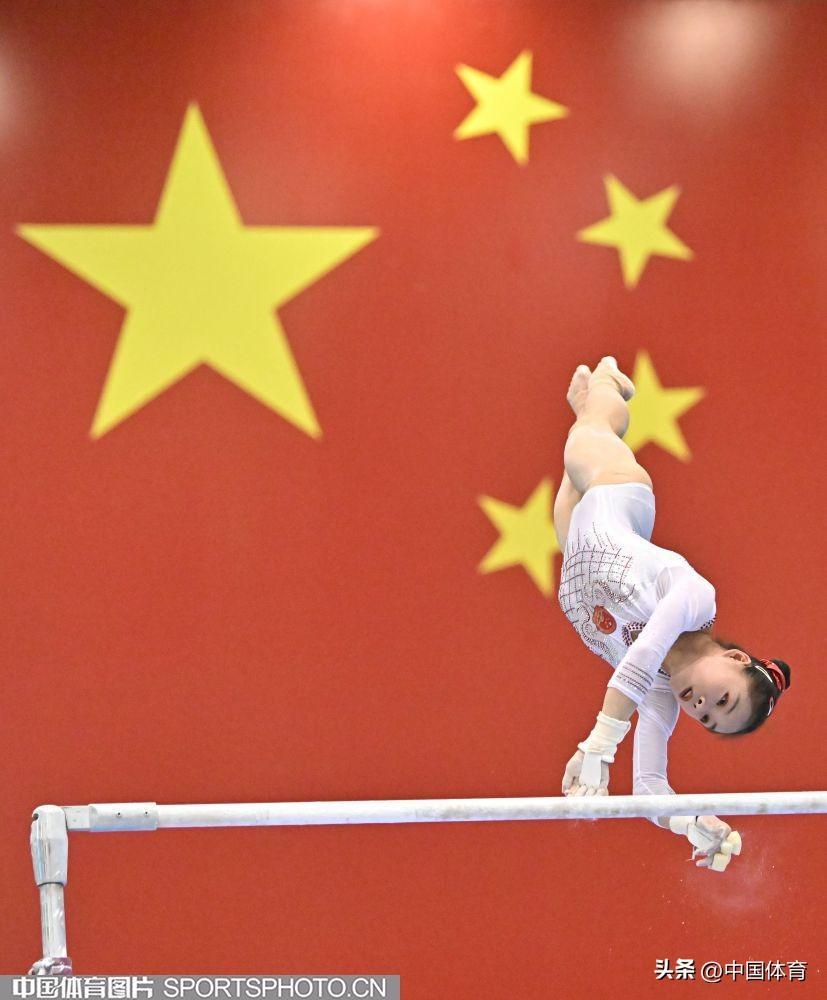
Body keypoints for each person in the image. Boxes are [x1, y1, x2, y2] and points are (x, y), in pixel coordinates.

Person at [553, 357, 791, 870]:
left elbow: (648, 787)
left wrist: (691, 823)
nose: (701, 706)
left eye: (707, 718)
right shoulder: (696, 597)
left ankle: (589, 409)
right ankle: (608, 385)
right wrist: (600, 744)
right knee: (588, 435)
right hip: (616, 490)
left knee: (574, 449)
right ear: (734, 658)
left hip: (573, 545)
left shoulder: (659, 695)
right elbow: (643, 652)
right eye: (722, 698)